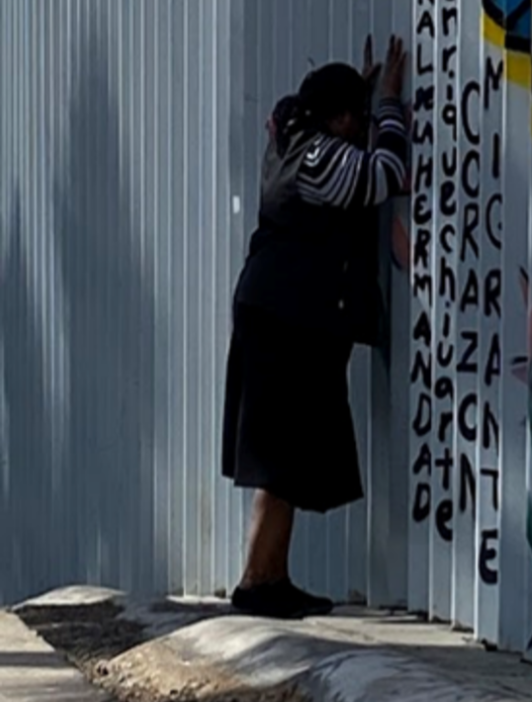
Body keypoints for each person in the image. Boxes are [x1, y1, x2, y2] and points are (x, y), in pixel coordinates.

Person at [221, 36, 408, 619]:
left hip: (278, 311)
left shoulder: (291, 138)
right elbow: (385, 174)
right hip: (288, 316)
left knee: (285, 457)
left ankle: (271, 576)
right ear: (338, 116)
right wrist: (390, 106)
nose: (358, 126)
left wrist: (360, 88)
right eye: (353, 115)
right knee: (280, 460)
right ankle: (257, 582)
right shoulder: (319, 157)